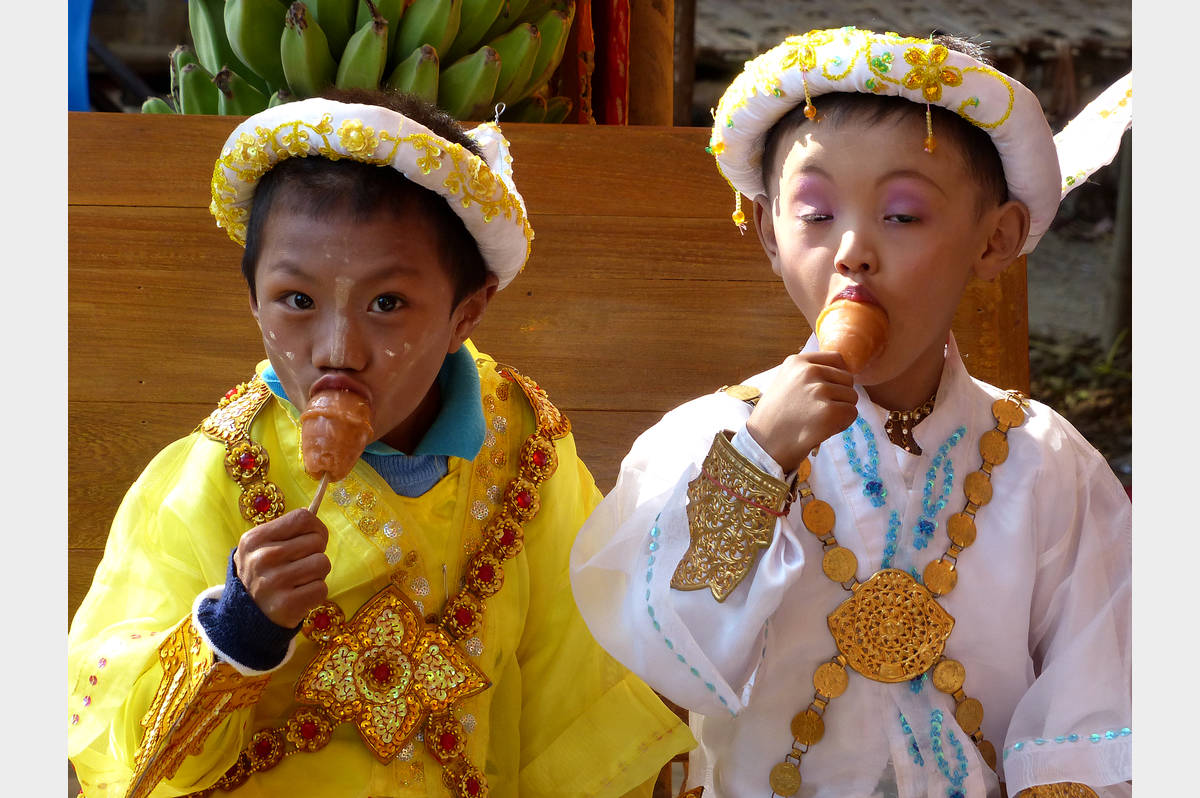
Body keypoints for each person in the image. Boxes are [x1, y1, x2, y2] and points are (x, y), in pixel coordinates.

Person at [67, 88, 693, 798]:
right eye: (296, 301)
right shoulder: (220, 471)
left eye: (387, 304)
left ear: (468, 311)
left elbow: (574, 701)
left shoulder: (523, 450)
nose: (337, 350)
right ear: (252, 299)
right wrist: (239, 631)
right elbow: (136, 751)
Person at [569, 27, 1132, 798]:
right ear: (768, 230)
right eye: (815, 213)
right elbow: (667, 656)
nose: (853, 251)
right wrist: (758, 462)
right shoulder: (706, 442)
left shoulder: (1046, 462)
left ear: (993, 240)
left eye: (902, 215)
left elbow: (1094, 694)